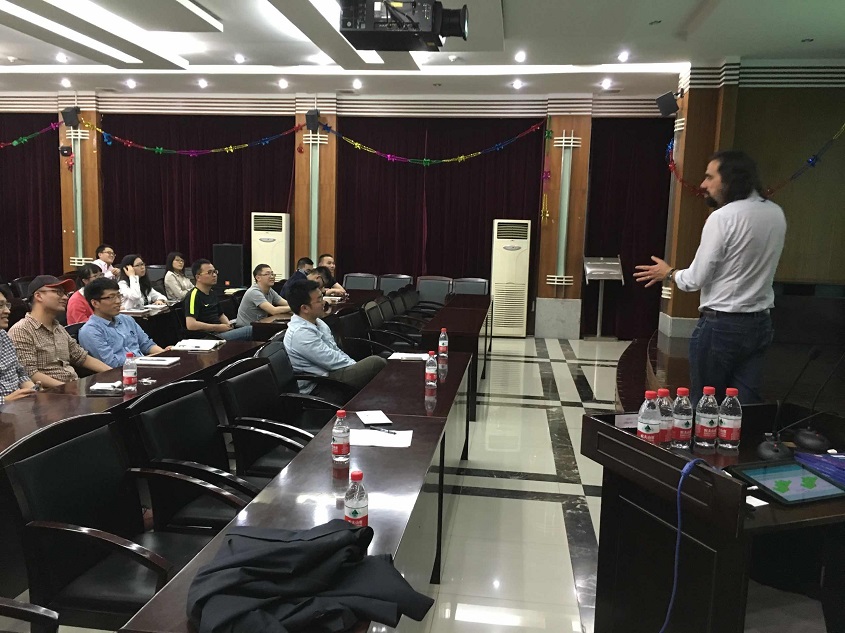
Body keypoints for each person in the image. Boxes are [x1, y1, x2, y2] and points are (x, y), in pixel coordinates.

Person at [634, 150, 786, 405]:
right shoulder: (775, 213)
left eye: (709, 177)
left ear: (731, 179)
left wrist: (669, 273)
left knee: (706, 406)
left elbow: (695, 279)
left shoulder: (723, 217)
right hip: (760, 324)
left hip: (721, 326)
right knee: (743, 408)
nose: (703, 184)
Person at [283, 280, 386, 395]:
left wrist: (354, 366)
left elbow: (334, 350)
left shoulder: (318, 322)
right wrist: (355, 367)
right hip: (319, 384)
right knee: (376, 363)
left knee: (375, 368)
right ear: (305, 308)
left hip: (331, 372)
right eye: (319, 300)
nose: (324, 302)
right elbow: (331, 361)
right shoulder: (300, 334)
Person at [8, 276, 110, 387]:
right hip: (50, 393)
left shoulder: (58, 328)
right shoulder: (21, 330)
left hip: (72, 387)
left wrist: (114, 372)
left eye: (65, 293)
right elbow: (29, 373)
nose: (65, 297)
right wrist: (68, 389)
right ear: (38, 296)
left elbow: (81, 357)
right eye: (58, 292)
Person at [78, 278, 166, 367]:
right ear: (95, 303)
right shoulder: (90, 331)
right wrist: (147, 359)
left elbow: (146, 344)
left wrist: (164, 353)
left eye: (119, 295)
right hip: (122, 372)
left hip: (144, 366)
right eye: (111, 297)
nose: (118, 301)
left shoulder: (126, 319)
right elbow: (113, 364)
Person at [184, 259, 253, 341]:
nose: (214, 275)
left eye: (215, 272)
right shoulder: (193, 295)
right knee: (251, 330)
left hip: (218, 332)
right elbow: (191, 325)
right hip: (207, 337)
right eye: (209, 272)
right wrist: (217, 327)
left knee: (253, 328)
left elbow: (221, 315)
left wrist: (229, 325)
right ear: (198, 277)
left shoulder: (212, 293)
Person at [0, 286, 38, 405]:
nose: (7, 311)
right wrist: (5, 401)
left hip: (19, 406)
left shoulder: (3, 336)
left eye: (7, 305)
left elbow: (19, 372)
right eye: (0, 306)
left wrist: (33, 391)